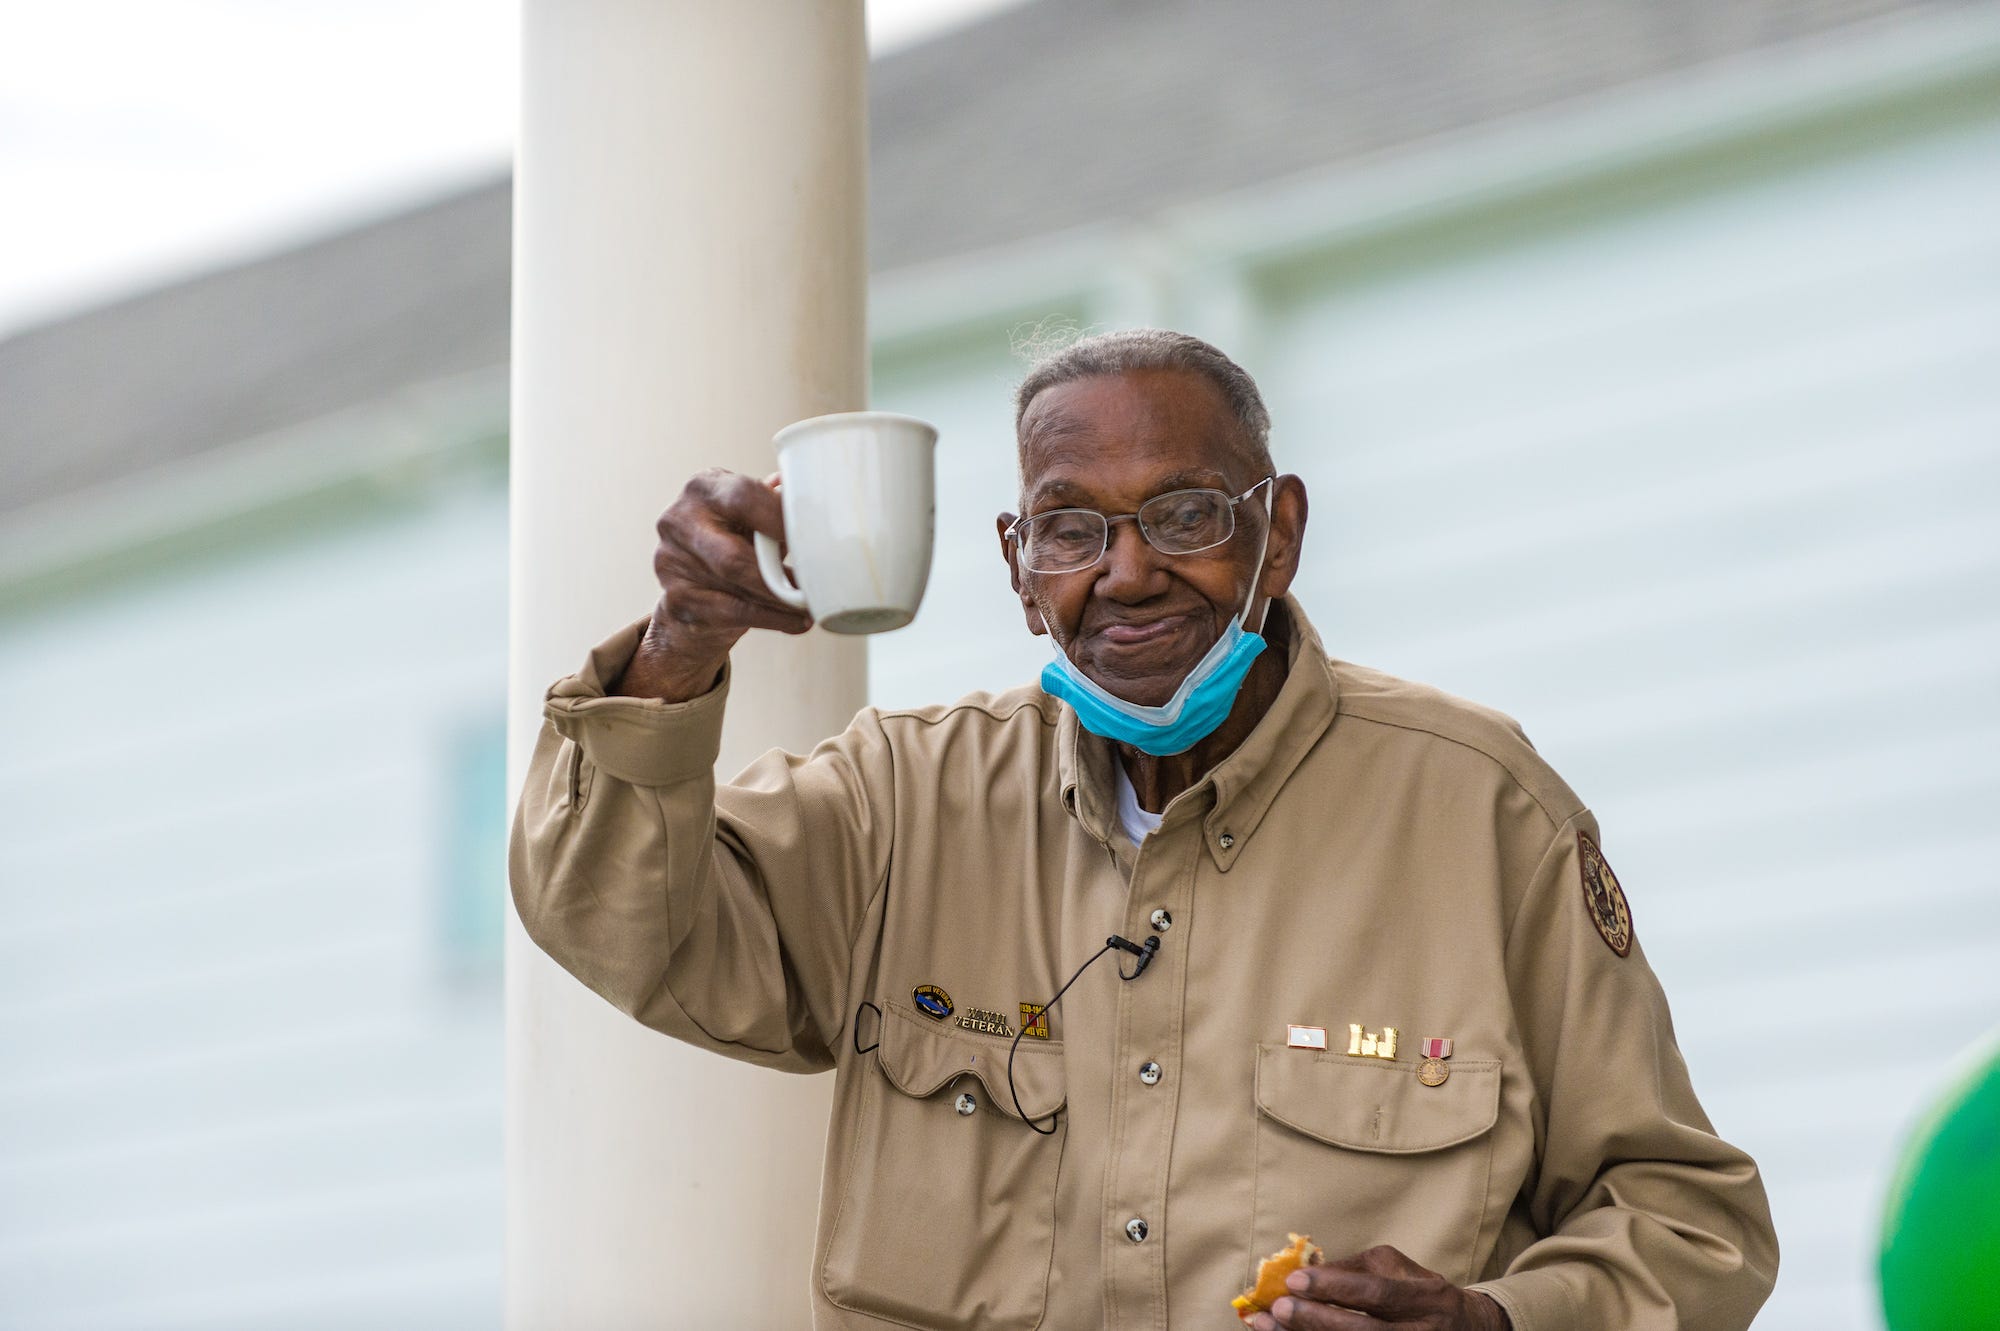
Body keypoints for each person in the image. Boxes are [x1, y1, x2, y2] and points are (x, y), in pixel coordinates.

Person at [511, 329, 1779, 1330]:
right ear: (1017, 565)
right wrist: (680, 648)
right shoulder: (902, 797)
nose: (1122, 572)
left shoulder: (1480, 807)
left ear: (1275, 532)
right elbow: (623, 926)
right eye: (1070, 527)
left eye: (1182, 515)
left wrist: (1494, 1318)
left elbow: (1688, 1220)